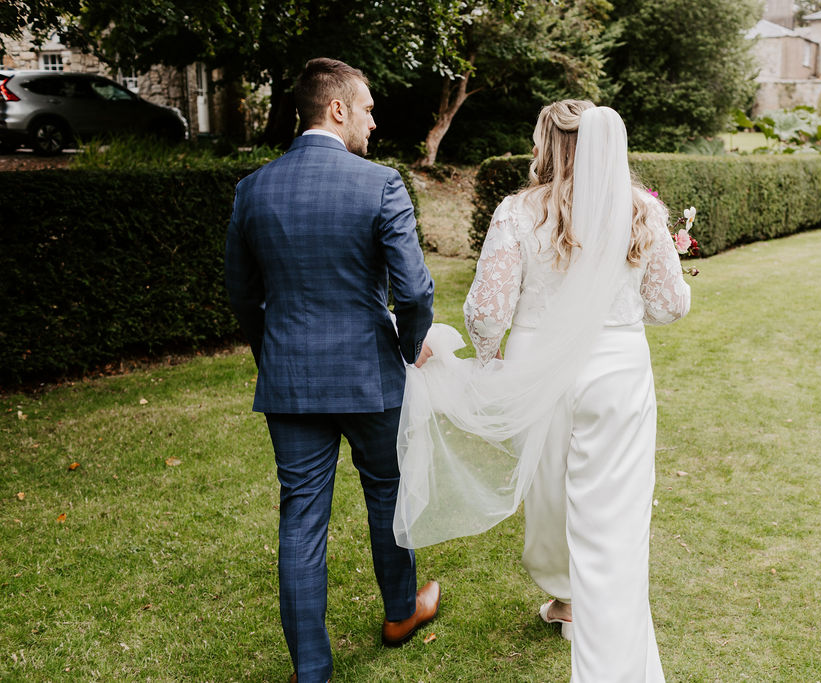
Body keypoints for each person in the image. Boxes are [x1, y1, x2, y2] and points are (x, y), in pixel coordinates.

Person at [394, 100, 690, 681]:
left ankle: (570, 601)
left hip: (542, 374)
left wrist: (493, 362)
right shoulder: (639, 212)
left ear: (549, 145)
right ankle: (589, 619)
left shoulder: (517, 212)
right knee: (615, 522)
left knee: (550, 496)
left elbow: (485, 309)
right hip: (617, 374)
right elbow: (668, 305)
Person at [224, 57, 438, 682]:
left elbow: (242, 294)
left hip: (290, 379)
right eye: (368, 109)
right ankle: (400, 613)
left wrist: (274, 358)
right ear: (337, 109)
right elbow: (416, 292)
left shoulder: (252, 188)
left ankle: (311, 670)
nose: (373, 123)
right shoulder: (381, 184)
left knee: (301, 518)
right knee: (386, 494)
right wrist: (406, 348)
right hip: (371, 376)